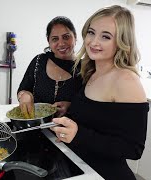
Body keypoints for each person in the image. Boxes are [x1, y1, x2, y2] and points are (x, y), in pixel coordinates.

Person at [50, 5, 148, 180]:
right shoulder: (92, 71)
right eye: (91, 32)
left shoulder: (126, 80)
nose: (93, 42)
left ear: (121, 41)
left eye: (105, 36)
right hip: (81, 168)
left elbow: (133, 149)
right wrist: (71, 108)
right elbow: (101, 117)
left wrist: (78, 134)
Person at [17, 16, 82, 118]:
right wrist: (25, 96)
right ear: (49, 41)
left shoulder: (85, 68)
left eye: (66, 37)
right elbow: (23, 89)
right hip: (36, 125)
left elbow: (89, 104)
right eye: (55, 39)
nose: (61, 43)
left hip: (68, 130)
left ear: (75, 37)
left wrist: (70, 106)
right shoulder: (39, 61)